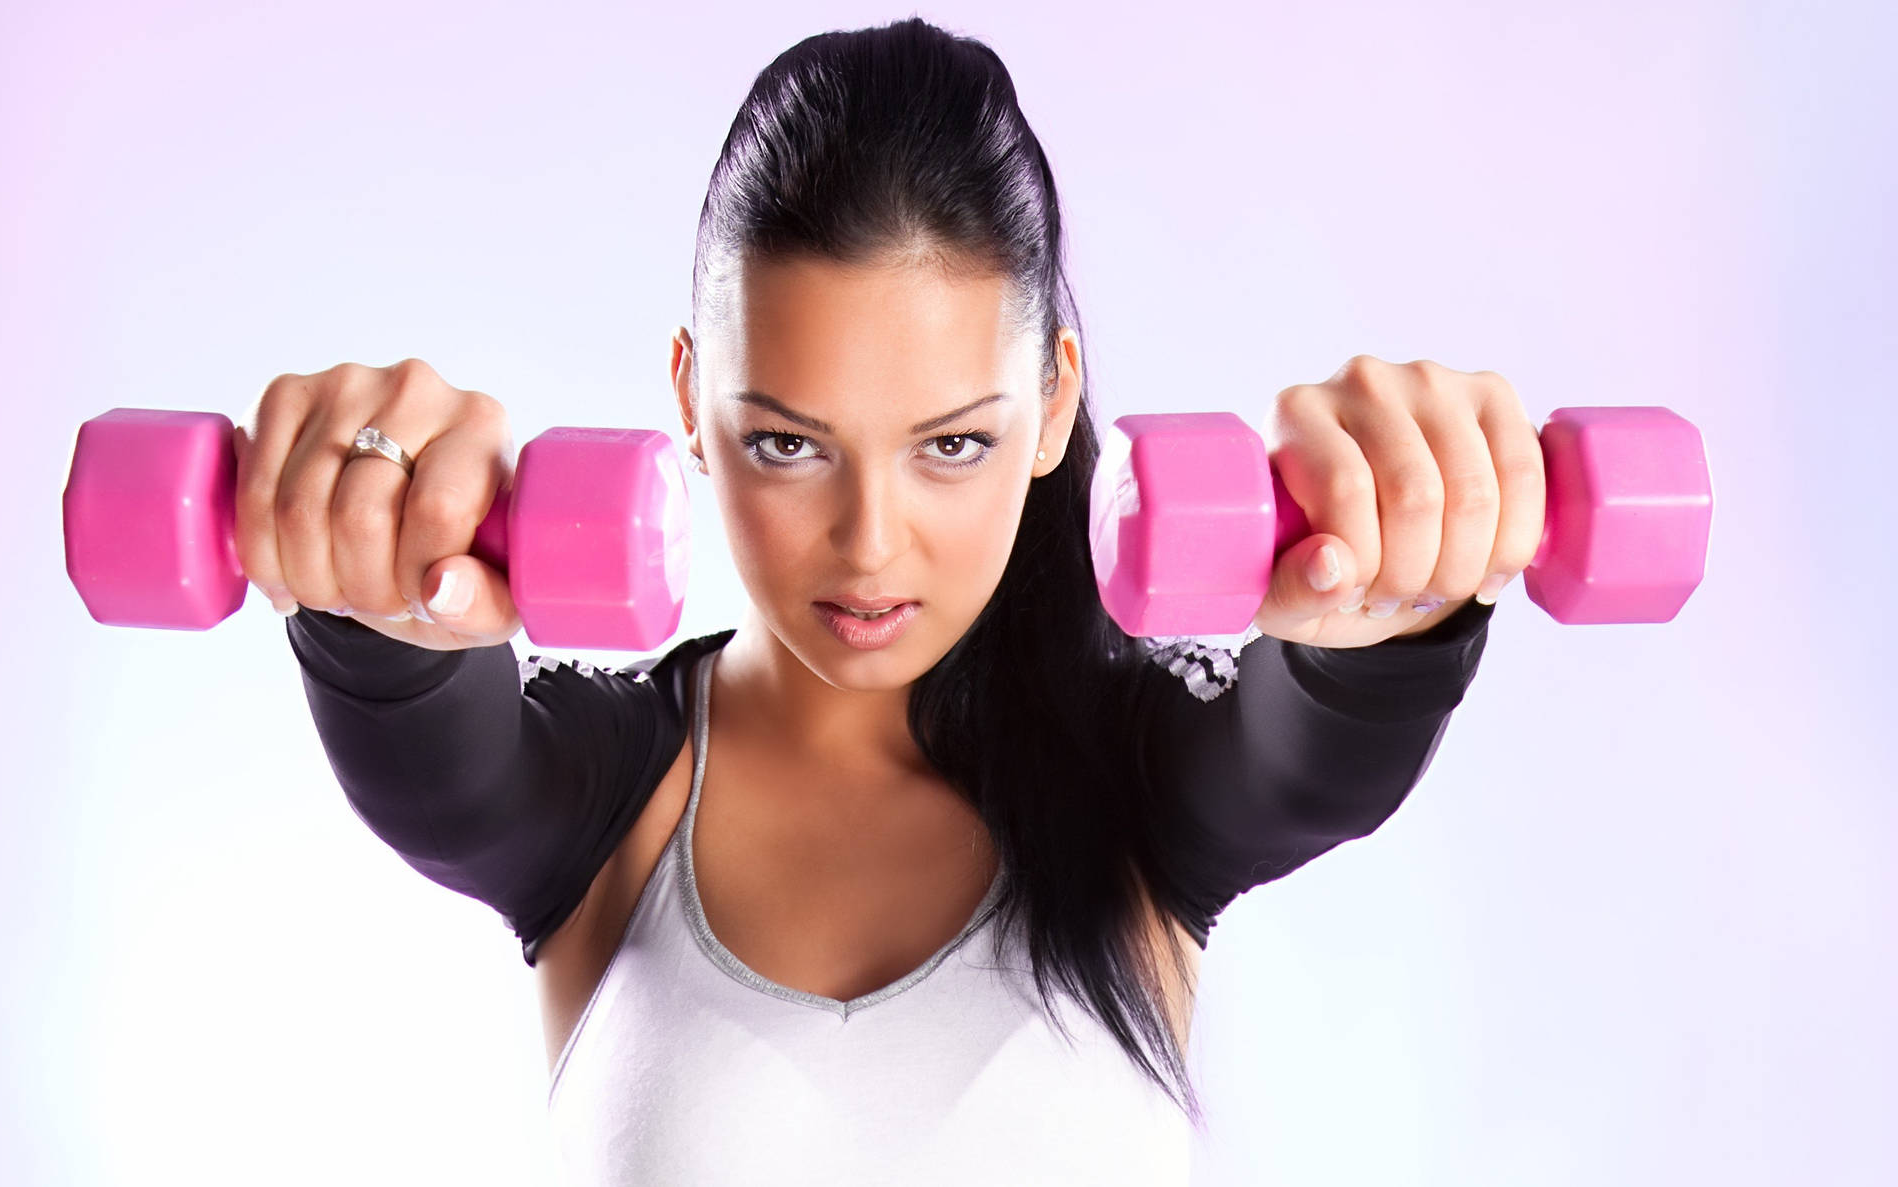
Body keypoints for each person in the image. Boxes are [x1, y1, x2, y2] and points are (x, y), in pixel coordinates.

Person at [235, 17, 1541, 1186]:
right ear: (692, 404)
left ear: (1052, 405)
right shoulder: (606, 794)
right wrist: (379, 593)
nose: (869, 544)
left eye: (953, 445)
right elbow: (446, 765)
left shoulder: (1138, 771)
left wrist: (1392, 605)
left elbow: (1304, 756)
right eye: (789, 445)